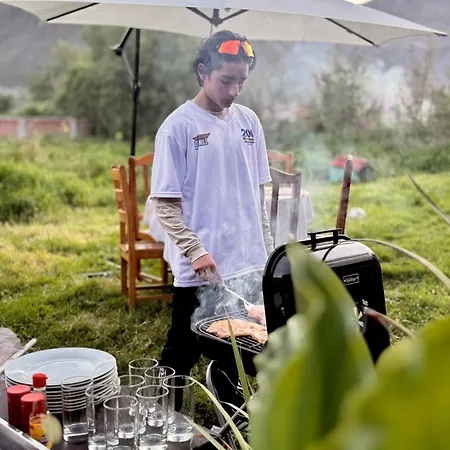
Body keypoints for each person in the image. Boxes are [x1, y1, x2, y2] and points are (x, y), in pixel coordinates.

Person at [150, 30, 274, 379]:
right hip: (202, 267)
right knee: (182, 350)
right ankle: (163, 406)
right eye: (226, 81)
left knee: (240, 351)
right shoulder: (177, 128)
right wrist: (196, 251)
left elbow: (257, 198)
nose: (234, 91)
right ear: (203, 72)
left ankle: (231, 402)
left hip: (246, 263)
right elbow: (166, 207)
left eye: (241, 81)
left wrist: (267, 254)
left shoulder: (249, 122)